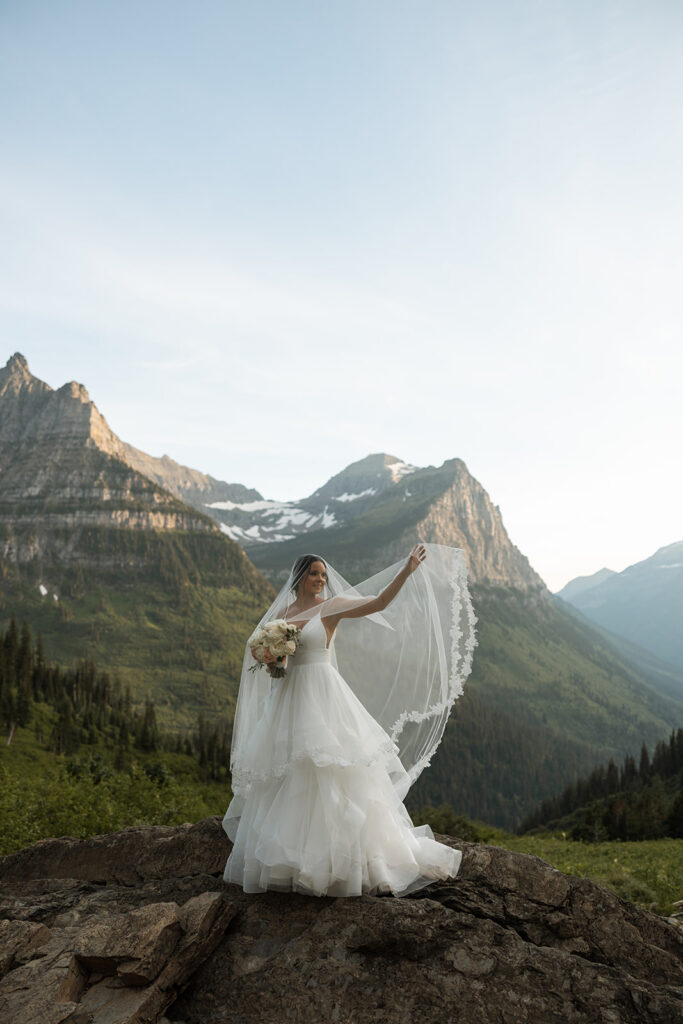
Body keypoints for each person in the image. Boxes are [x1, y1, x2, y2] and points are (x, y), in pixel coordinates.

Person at [222, 542, 476, 897]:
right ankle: (288, 860)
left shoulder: (332, 607)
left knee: (330, 770)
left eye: (324, 574)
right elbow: (268, 657)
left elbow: (378, 604)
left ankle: (338, 864)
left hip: (323, 697)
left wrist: (406, 571)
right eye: (314, 573)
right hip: (288, 699)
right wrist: (272, 659)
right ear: (299, 577)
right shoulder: (282, 612)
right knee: (287, 772)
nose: (321, 579)